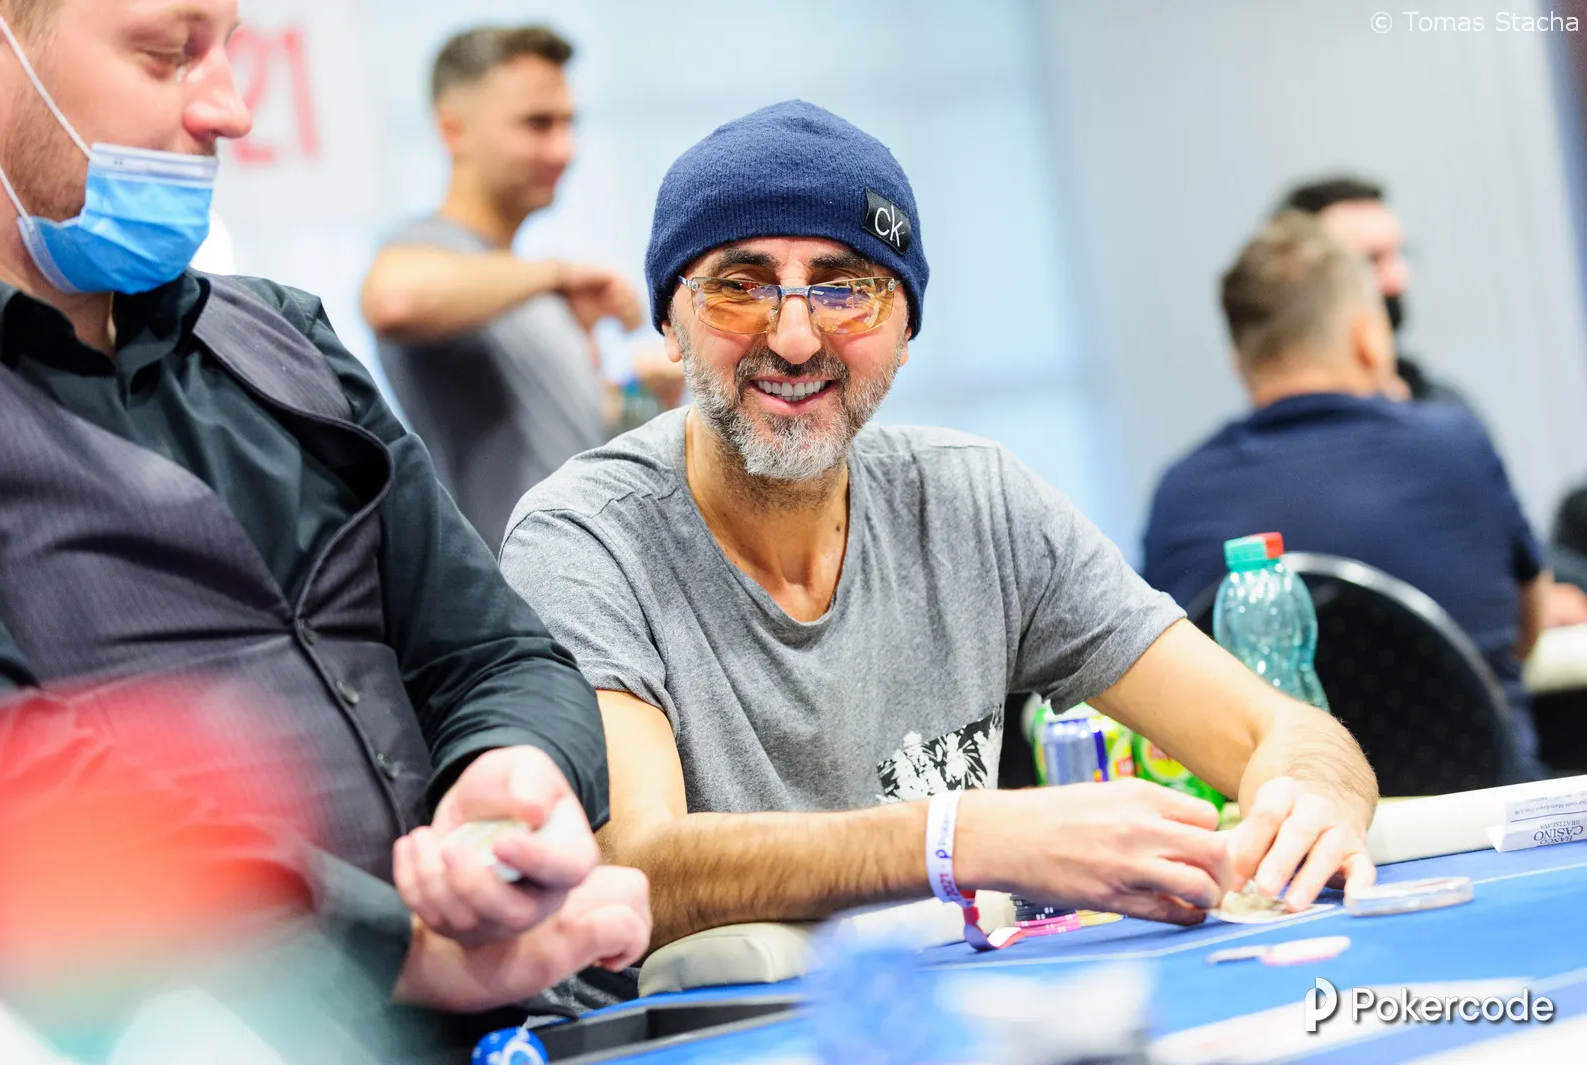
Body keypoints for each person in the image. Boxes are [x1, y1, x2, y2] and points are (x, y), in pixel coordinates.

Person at [490, 101, 1378, 965]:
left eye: (847, 291)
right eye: (740, 288)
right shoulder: (584, 539)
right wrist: (957, 839)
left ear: (906, 328)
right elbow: (633, 864)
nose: (794, 339)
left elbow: (1280, 732)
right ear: (670, 324)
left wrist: (1309, 798)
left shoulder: (976, 503)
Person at [0, 0, 648, 1054]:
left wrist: (511, 772)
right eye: (167, 55)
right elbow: (16, 777)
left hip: (518, 1016)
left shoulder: (280, 338)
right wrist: (402, 946)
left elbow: (493, 651)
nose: (231, 110)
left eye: (228, 54)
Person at [1141, 211, 1551, 779]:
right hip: (1483, 811)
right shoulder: (1454, 445)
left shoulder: (1180, 494)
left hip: (1282, 823)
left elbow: (1169, 693)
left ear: (1240, 364)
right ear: (1367, 338)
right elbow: (1528, 627)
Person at [362, 25, 682, 554]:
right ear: (454, 131)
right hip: (511, 585)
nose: (564, 148)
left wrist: (644, 393)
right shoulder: (429, 250)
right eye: (538, 124)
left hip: (589, 572)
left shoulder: (521, 283)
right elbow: (391, 300)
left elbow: (584, 445)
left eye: (568, 124)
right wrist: (556, 276)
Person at [1282, 176, 1469, 408]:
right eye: (1371, 260)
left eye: (1398, 254)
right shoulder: (1293, 424)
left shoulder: (1444, 407)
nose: (1399, 279)